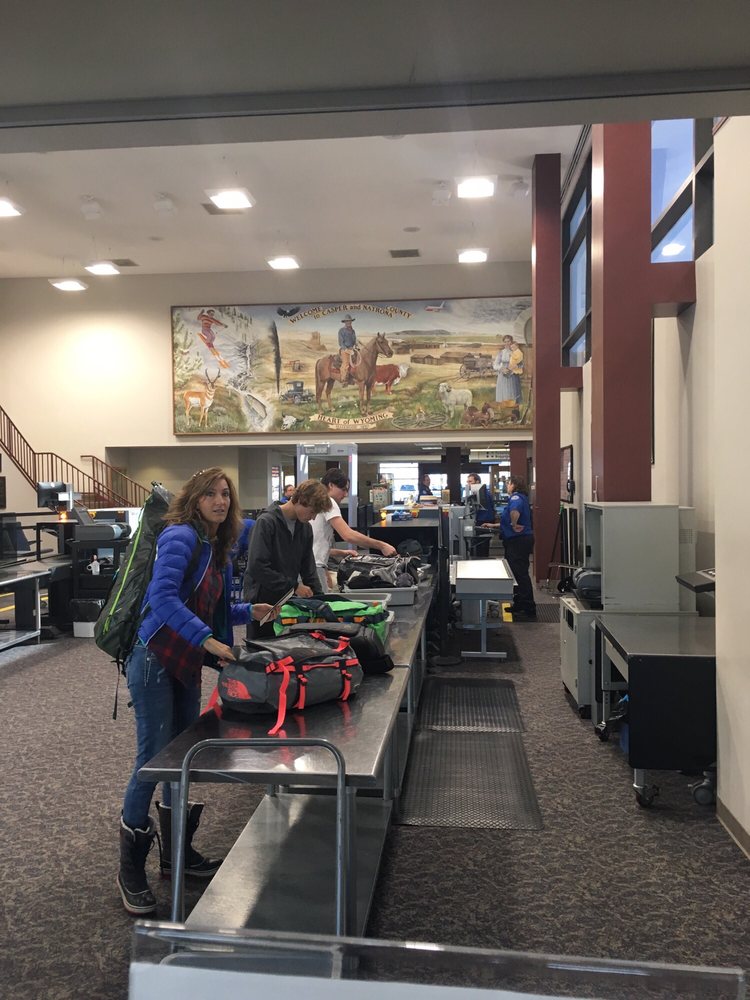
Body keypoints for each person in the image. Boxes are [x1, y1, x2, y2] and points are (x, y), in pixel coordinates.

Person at [118, 468, 275, 917]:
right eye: (211, 493)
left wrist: (249, 610)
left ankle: (176, 856)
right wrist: (207, 639)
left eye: (226, 494)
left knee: (182, 756)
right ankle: (130, 867)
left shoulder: (214, 544)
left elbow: (211, 606)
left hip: (185, 660)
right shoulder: (180, 536)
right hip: (154, 659)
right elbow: (164, 598)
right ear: (195, 498)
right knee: (151, 760)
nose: (221, 501)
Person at [244, 479, 331, 636]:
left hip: (287, 603)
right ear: (299, 501)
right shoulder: (266, 522)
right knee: (262, 652)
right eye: (312, 512)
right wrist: (294, 587)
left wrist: (321, 602)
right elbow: (257, 567)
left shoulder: (304, 528)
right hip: (262, 602)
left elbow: (308, 569)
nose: (312, 518)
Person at [311, 468, 397, 591]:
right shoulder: (328, 501)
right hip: (314, 567)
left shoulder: (317, 501)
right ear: (331, 485)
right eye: (343, 489)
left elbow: (314, 545)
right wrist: (382, 545)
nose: (345, 494)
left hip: (311, 565)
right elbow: (348, 535)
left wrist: (341, 553)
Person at [500, 475, 536, 616]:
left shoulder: (515, 497)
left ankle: (528, 606)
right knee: (517, 572)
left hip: (518, 541)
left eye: (508, 484)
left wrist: (514, 525)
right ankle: (520, 602)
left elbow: (515, 511)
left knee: (520, 573)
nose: (507, 486)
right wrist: (495, 525)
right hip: (519, 540)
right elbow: (510, 518)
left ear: (514, 485)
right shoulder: (521, 497)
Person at [466, 472, 495, 558]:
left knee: (481, 548)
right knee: (478, 547)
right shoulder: (476, 494)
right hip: (480, 521)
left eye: (470, 481)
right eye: (467, 482)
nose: (468, 484)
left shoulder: (483, 494)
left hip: (484, 522)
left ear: (477, 482)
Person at [493, 335, 524, 405]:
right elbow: (495, 365)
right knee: (503, 396)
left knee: (513, 395)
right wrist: (501, 368)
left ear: (511, 342)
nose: (507, 343)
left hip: (513, 376)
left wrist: (516, 366)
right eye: (505, 342)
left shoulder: (516, 352)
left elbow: (521, 364)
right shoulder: (501, 353)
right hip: (503, 376)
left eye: (508, 341)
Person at [337, 313, 358, 383]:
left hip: (352, 349)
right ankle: (343, 380)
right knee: (346, 364)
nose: (348, 322)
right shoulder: (341, 331)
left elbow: (354, 340)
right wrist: (347, 350)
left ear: (351, 322)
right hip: (344, 349)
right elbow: (341, 343)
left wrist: (356, 345)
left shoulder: (353, 331)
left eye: (349, 321)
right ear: (345, 322)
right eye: (347, 321)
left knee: (359, 360)